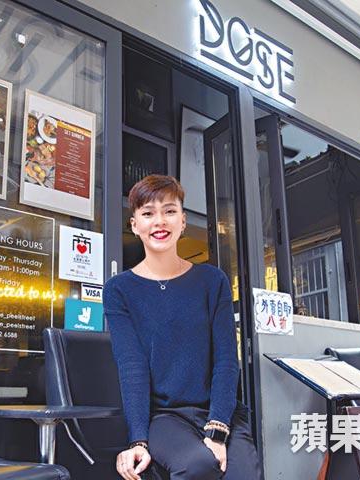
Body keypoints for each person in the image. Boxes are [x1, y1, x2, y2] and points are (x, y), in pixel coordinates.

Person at [103, 175, 261, 480]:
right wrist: (138, 440)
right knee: (197, 465)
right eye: (148, 213)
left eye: (169, 211)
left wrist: (217, 430)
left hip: (219, 410)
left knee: (240, 475)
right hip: (164, 418)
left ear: (183, 220)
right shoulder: (119, 290)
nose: (159, 221)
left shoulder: (212, 281)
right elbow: (132, 367)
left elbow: (227, 360)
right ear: (134, 224)